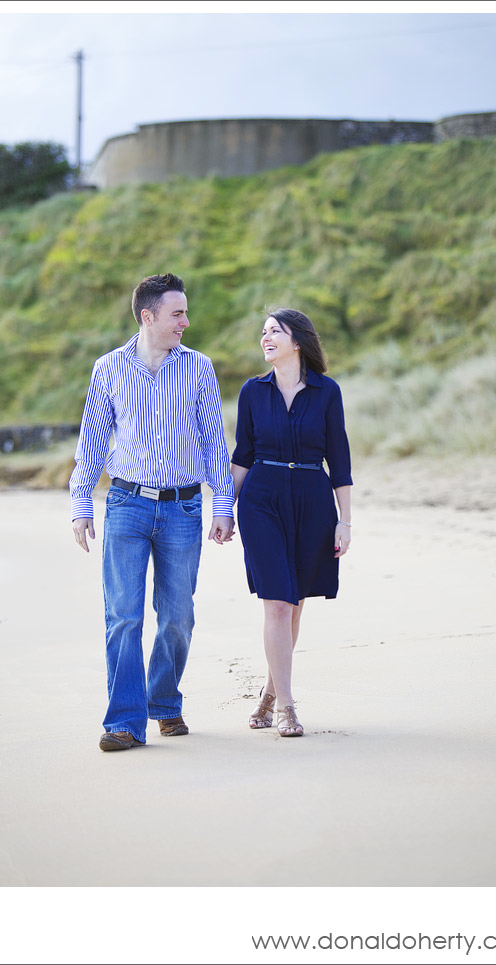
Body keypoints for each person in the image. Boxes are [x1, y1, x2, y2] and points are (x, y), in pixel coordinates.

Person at [70, 273, 235, 751]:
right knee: (123, 616)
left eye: (185, 312)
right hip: (125, 505)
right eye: (177, 313)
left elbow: (212, 442)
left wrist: (222, 504)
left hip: (184, 507)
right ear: (148, 316)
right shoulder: (108, 369)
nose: (187, 321)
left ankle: (164, 702)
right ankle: (124, 720)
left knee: (178, 616)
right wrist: (82, 504)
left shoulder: (199, 367)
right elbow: (93, 442)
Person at [230, 309, 352, 737]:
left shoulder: (326, 392)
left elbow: (339, 460)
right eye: (262, 332)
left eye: (274, 332)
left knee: (296, 601)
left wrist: (345, 521)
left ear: (296, 341)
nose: (265, 338)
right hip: (261, 500)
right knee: (277, 601)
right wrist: (226, 510)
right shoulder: (252, 391)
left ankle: (267, 693)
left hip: (312, 501)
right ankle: (287, 707)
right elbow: (243, 456)